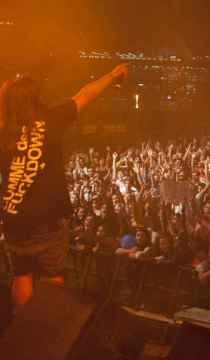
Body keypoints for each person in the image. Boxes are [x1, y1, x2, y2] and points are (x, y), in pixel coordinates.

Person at [1, 64, 129, 308]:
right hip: (48, 217)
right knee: (52, 276)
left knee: (21, 273)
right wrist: (113, 75)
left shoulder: (3, 131)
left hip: (14, 218)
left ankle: (24, 328)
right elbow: (84, 95)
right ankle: (46, 328)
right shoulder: (51, 119)